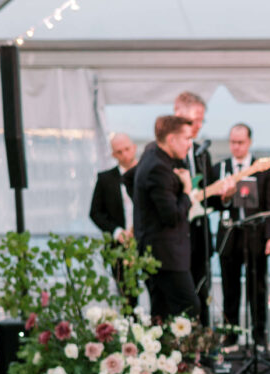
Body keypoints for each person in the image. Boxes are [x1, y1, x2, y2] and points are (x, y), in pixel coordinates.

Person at [208, 123, 270, 348]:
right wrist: (225, 197)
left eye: (240, 142)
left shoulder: (263, 168)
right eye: (232, 142)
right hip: (230, 235)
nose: (236, 147)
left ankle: (259, 337)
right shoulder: (221, 168)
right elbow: (211, 203)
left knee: (257, 289)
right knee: (230, 290)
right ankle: (230, 336)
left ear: (249, 142)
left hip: (255, 236)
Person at [132, 114, 200, 320]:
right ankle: (189, 352)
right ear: (171, 139)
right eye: (187, 138)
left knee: (161, 312)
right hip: (165, 255)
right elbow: (172, 216)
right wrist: (187, 191)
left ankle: (162, 352)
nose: (190, 144)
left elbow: (128, 178)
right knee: (190, 308)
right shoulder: (158, 168)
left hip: (154, 250)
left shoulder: (152, 155)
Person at [175, 91, 214, 327]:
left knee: (202, 292)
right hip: (176, 237)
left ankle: (204, 343)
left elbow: (209, 194)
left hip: (200, 236)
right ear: (178, 115)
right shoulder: (166, 155)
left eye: (201, 120)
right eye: (193, 120)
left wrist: (224, 194)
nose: (198, 126)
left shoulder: (202, 153)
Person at [89, 132, 139, 308]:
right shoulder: (106, 179)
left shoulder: (146, 173)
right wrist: (117, 231)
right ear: (113, 155)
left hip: (146, 240)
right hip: (120, 245)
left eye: (127, 149)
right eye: (119, 152)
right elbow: (95, 212)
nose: (125, 155)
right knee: (127, 296)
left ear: (134, 148)